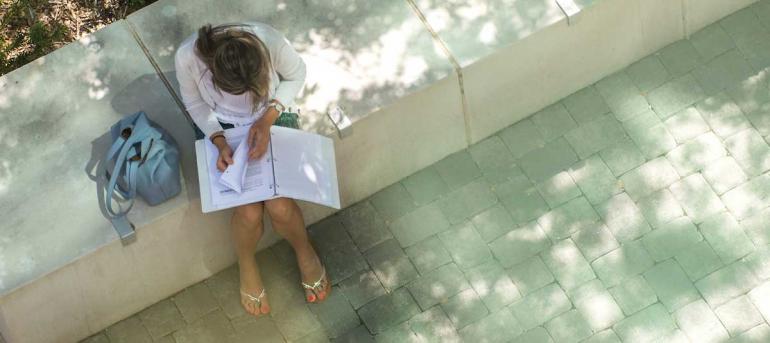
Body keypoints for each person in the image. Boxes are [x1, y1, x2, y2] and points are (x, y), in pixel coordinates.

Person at [174, 22, 329, 317]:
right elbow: (195, 105)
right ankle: (246, 262)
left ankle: (304, 250)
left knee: (280, 206)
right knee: (248, 211)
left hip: (270, 112)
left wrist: (267, 118)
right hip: (220, 126)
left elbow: (297, 74)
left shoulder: (269, 38)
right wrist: (219, 142)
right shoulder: (187, 58)